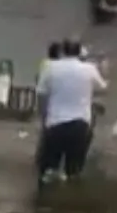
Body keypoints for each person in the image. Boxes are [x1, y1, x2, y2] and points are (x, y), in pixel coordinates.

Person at [36, 37, 106, 186]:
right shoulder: (89, 69)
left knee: (49, 168)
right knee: (73, 169)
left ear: (63, 51)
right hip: (81, 124)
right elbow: (103, 88)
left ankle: (47, 194)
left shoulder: (50, 68)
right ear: (79, 52)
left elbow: (41, 95)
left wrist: (43, 118)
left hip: (55, 123)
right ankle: (71, 192)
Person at [35, 42, 61, 174]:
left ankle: (40, 155)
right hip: (51, 100)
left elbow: (38, 78)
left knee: (44, 128)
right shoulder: (55, 67)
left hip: (43, 98)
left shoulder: (45, 64)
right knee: (50, 129)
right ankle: (45, 157)